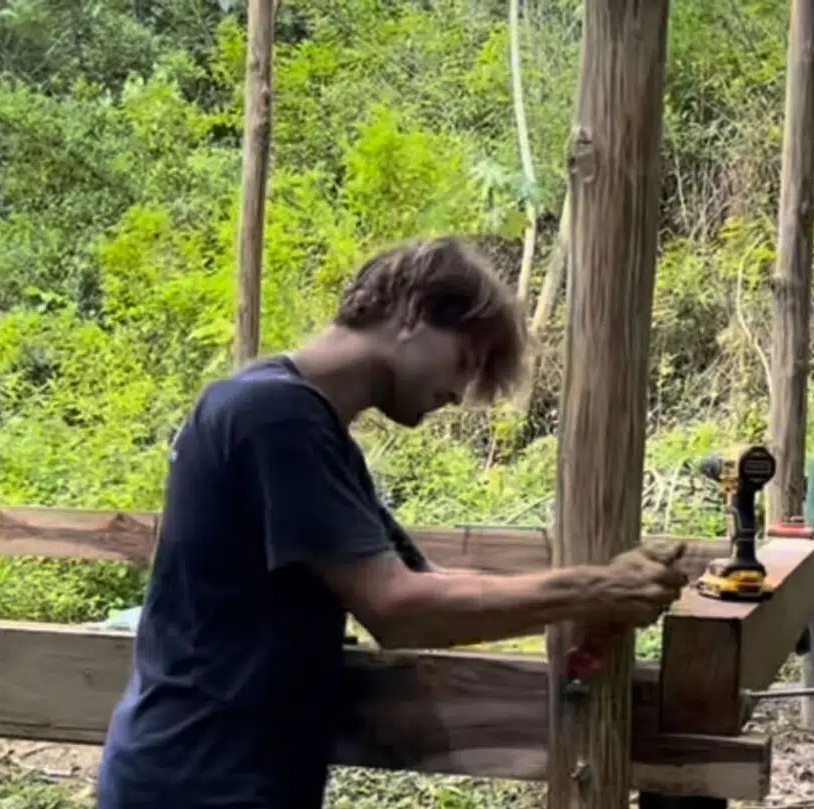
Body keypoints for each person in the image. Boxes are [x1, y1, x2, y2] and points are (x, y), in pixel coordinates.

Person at [95, 237, 690, 809]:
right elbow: (400, 608)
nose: (459, 395)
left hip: (220, 771)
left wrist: (585, 599)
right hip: (199, 778)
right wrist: (593, 589)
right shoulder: (273, 418)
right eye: (463, 363)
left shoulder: (302, 425)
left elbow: (424, 580)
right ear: (413, 313)